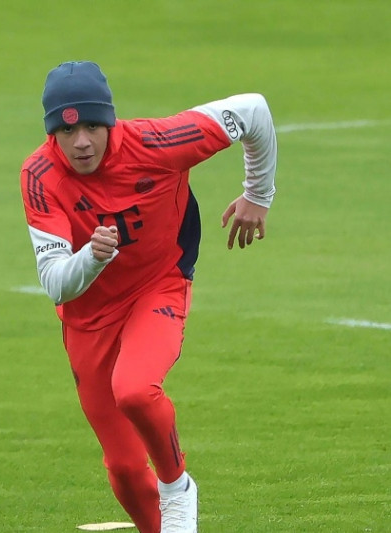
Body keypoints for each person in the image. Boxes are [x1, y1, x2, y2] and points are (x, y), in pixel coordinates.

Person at [18, 61, 277, 533]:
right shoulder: (39, 175)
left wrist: (258, 194)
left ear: (110, 122)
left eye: (92, 127)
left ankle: (177, 487)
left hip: (158, 285)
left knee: (135, 389)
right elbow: (55, 281)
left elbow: (253, 111)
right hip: (88, 318)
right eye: (67, 131)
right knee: (122, 468)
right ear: (51, 133)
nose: (81, 142)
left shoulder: (158, 143)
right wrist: (92, 257)